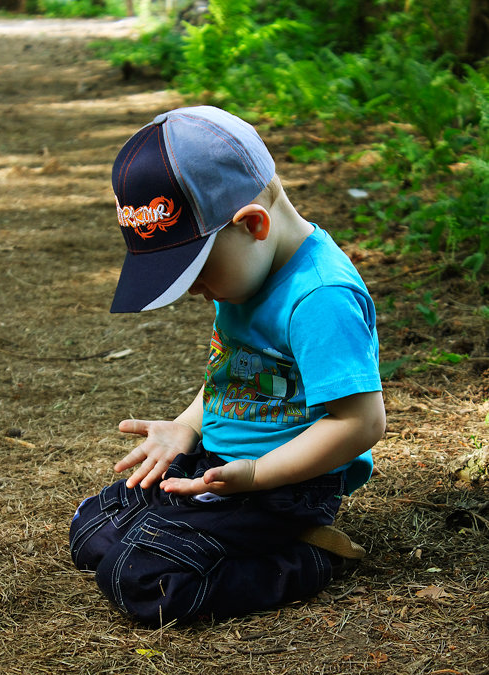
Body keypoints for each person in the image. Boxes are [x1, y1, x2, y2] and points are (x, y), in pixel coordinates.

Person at [69, 105, 386, 626]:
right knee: (91, 529)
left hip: (287, 484)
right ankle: (216, 532)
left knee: (149, 580)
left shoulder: (320, 298)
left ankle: (308, 555)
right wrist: (185, 427)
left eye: (195, 271)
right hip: (221, 467)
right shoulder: (246, 270)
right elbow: (230, 372)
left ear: (252, 225)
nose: (193, 290)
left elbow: (360, 422)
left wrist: (259, 474)